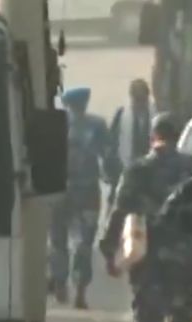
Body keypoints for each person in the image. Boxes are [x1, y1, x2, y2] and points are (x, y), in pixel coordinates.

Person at [100, 112, 192, 322]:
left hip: (148, 257)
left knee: (144, 321)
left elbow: (120, 211)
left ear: (153, 137)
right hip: (186, 258)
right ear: (176, 136)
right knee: (182, 319)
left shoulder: (138, 169)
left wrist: (109, 251)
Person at [51, 86, 115, 309]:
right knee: (80, 243)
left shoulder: (57, 124)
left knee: (62, 241)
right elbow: (107, 155)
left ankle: (64, 284)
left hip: (62, 190)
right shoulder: (96, 125)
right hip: (83, 191)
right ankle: (76, 288)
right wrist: (111, 177)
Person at [108, 78, 156, 207]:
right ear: (132, 98)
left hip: (152, 174)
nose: (140, 104)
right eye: (137, 100)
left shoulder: (156, 115)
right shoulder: (122, 115)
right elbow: (112, 144)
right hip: (125, 171)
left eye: (143, 100)